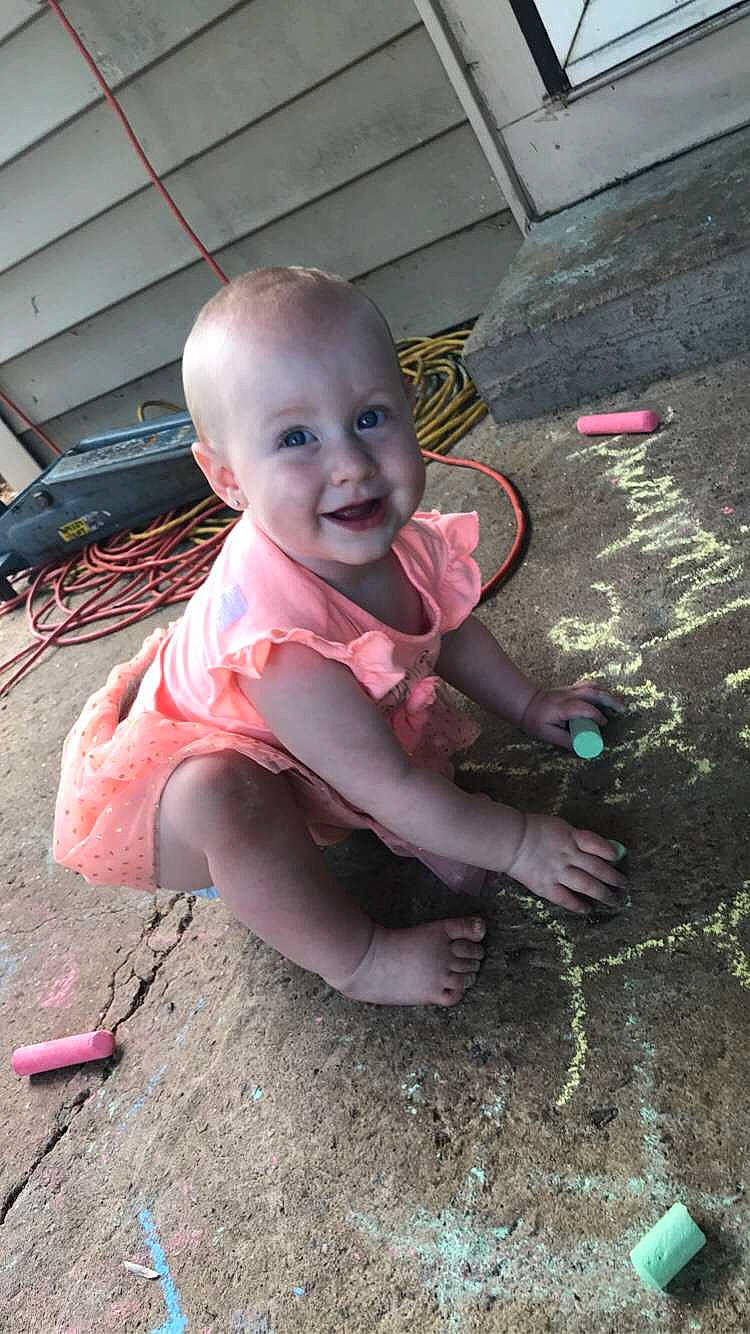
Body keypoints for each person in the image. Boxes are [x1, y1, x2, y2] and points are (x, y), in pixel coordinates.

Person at [53, 266, 627, 1008]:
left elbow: (440, 630)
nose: (351, 467)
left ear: (409, 407)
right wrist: (518, 842)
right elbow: (385, 785)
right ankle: (357, 962)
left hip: (315, 735)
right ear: (227, 478)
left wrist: (526, 702)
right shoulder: (279, 641)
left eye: (370, 418)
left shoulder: (396, 539)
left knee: (384, 759)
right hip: (180, 789)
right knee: (230, 800)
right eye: (296, 438)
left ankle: (423, 832)